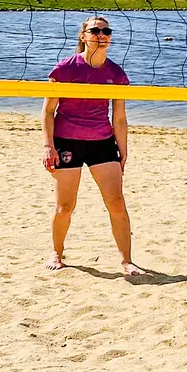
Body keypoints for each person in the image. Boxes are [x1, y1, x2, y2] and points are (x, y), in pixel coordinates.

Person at [44, 15, 144, 276]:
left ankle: (127, 261)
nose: (101, 34)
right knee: (65, 206)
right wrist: (48, 146)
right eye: (95, 30)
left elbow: (119, 117)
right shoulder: (65, 68)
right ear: (83, 36)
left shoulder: (116, 73)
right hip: (67, 141)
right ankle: (57, 252)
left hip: (102, 142)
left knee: (117, 203)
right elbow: (47, 112)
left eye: (106, 31)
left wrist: (123, 149)